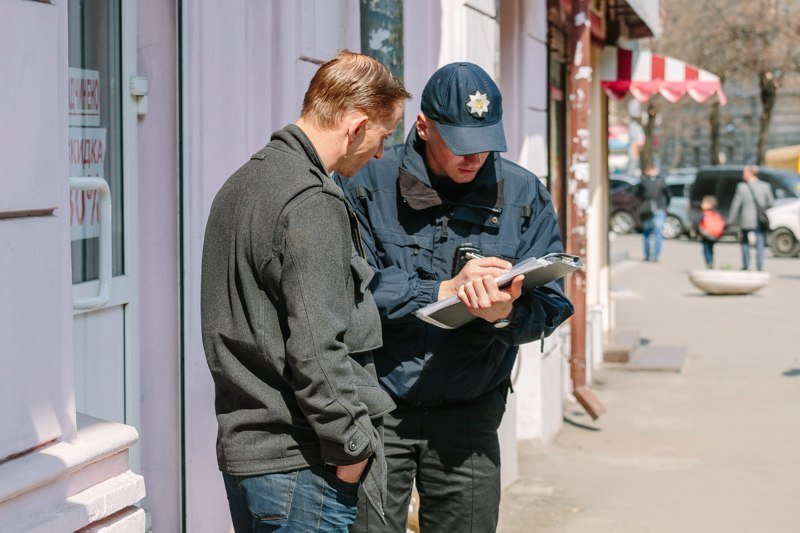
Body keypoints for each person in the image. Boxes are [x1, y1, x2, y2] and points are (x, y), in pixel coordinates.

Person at [336, 62, 574, 532]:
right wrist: (439, 291)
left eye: (487, 145)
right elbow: (347, 292)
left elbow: (551, 304)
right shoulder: (365, 183)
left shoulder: (523, 193)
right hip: (379, 409)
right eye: (461, 145)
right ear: (423, 127)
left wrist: (506, 314)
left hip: (470, 414)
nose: (475, 159)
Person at [200, 51, 410, 532]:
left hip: (255, 458)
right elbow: (318, 349)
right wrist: (352, 446)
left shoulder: (242, 183)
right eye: (382, 136)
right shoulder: (310, 200)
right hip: (302, 465)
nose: (381, 153)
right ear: (356, 126)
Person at [728, 165, 774, 271]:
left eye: (744, 172)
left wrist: (730, 219)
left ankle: (746, 264)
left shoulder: (741, 187)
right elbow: (770, 202)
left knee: (744, 241)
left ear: (750, 173)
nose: (743, 175)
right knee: (760, 241)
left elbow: (736, 204)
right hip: (759, 218)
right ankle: (759, 265)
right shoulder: (765, 186)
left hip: (746, 218)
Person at [635, 165, 671, 262]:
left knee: (647, 233)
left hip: (647, 210)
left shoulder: (643, 182)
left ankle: (647, 255)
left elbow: (637, 196)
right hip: (659, 209)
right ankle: (656, 256)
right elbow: (668, 195)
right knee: (657, 233)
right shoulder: (661, 182)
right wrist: (665, 206)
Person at [694, 195, 725, 268]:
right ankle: (711, 261)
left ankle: (709, 261)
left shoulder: (703, 213)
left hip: (705, 235)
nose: (702, 204)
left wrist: (697, 233)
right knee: (711, 249)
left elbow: (698, 224)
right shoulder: (716, 213)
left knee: (706, 249)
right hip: (714, 235)